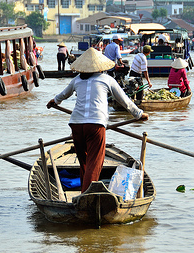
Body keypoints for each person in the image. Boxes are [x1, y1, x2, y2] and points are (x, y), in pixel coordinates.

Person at [46, 48, 149, 192]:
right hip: (95, 125)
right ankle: (87, 195)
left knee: (85, 163)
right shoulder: (107, 79)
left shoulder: (77, 80)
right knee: (95, 162)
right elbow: (125, 101)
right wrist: (139, 114)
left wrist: (53, 102)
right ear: (100, 66)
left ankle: (84, 190)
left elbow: (62, 96)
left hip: (75, 124)